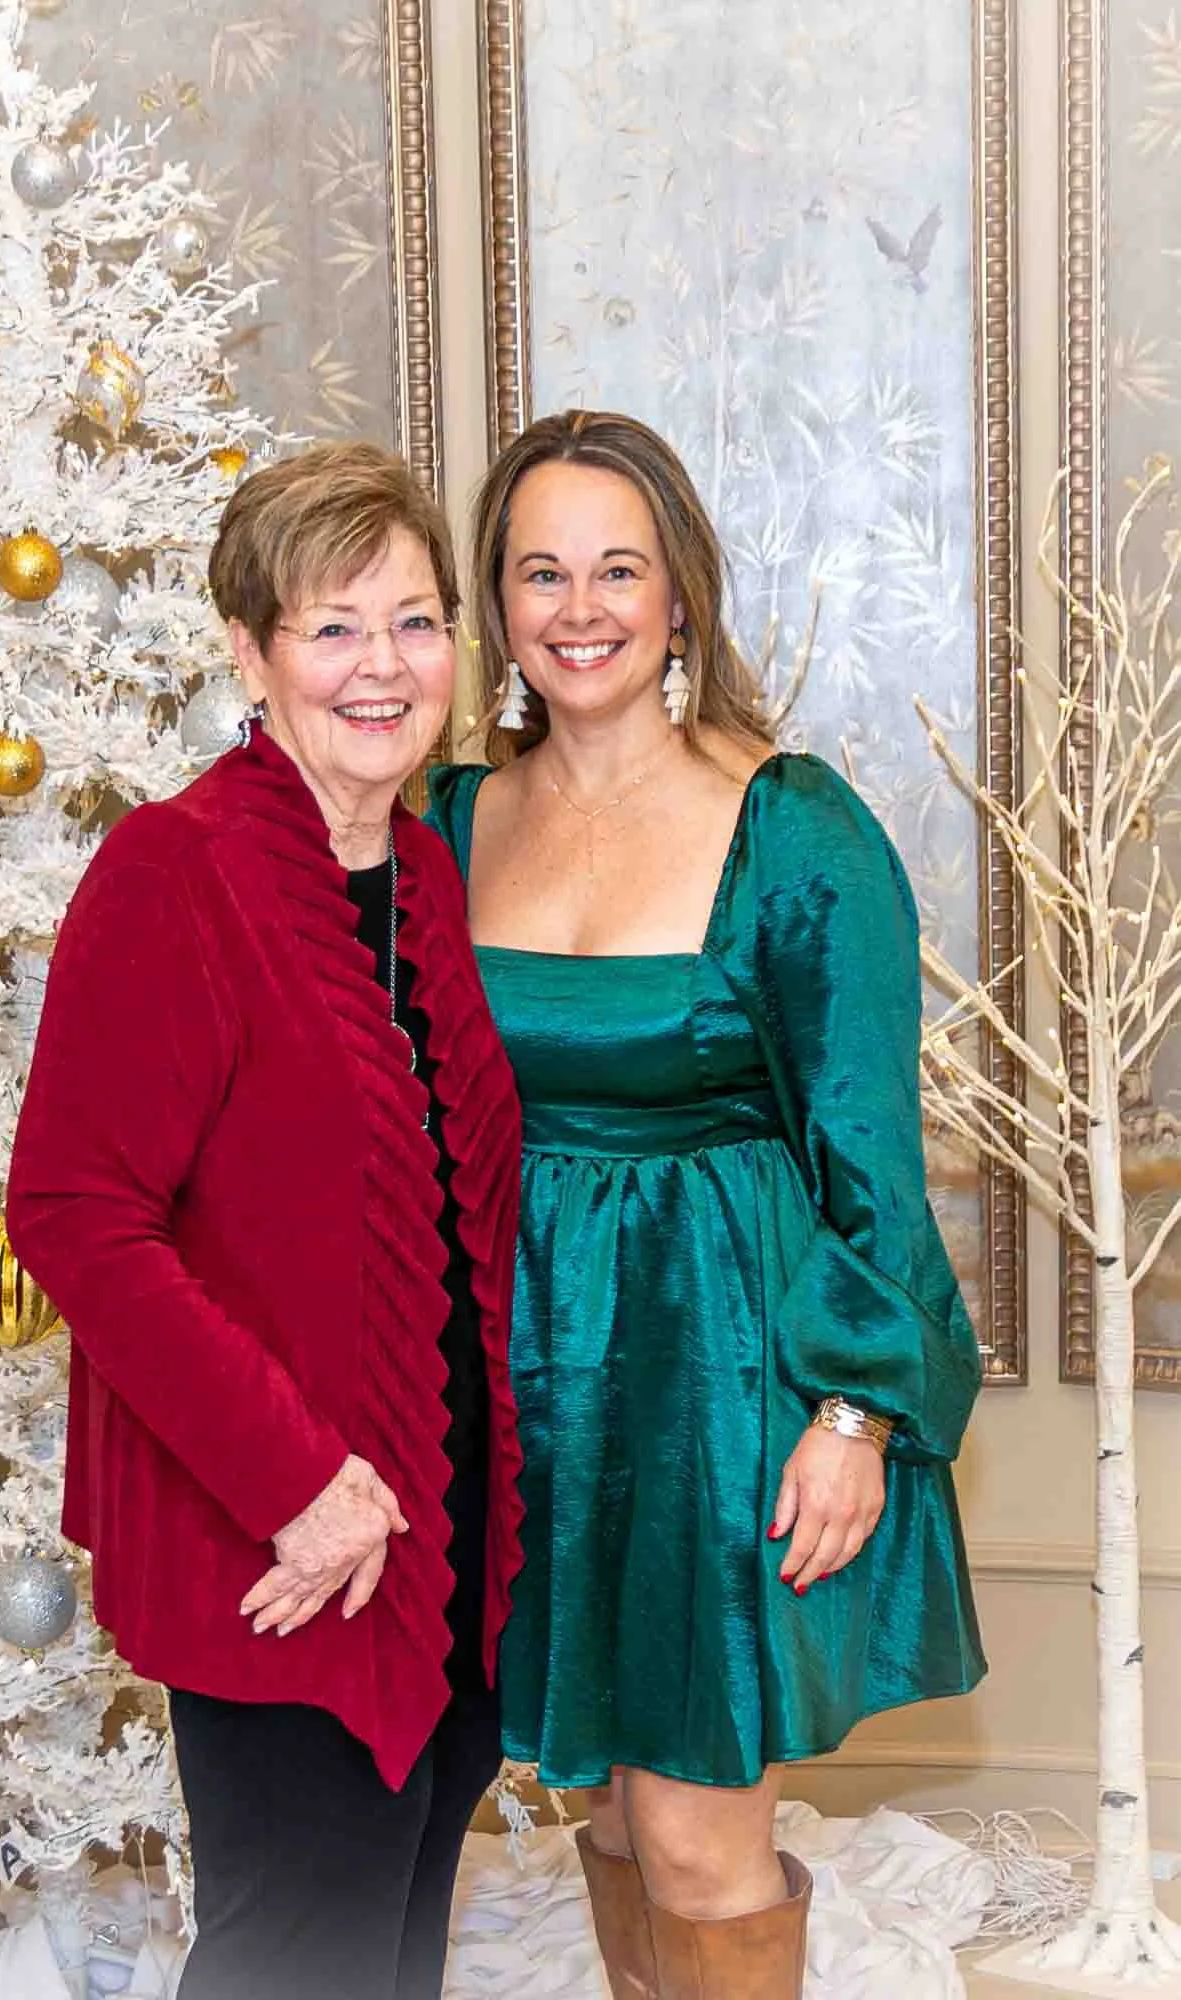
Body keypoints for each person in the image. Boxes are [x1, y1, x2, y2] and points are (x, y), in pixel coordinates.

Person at [427, 409, 985, 2000]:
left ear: (683, 596)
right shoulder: (456, 819)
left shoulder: (795, 829)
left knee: (695, 1837)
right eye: (542, 573)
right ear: (500, 603)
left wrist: (856, 1417)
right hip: (523, 1378)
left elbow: (872, 1152)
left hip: (723, 1386)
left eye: (620, 568)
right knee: (597, 1807)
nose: (581, 607)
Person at [6, 441, 524, 2000]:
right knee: (296, 1959)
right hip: (287, 1551)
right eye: (335, 625)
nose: (387, 666)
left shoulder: (422, 875)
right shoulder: (175, 870)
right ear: (251, 651)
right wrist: (299, 1484)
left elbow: (442, 1222)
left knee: (394, 1954)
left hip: (437, 1542)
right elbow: (75, 1213)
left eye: (418, 620)